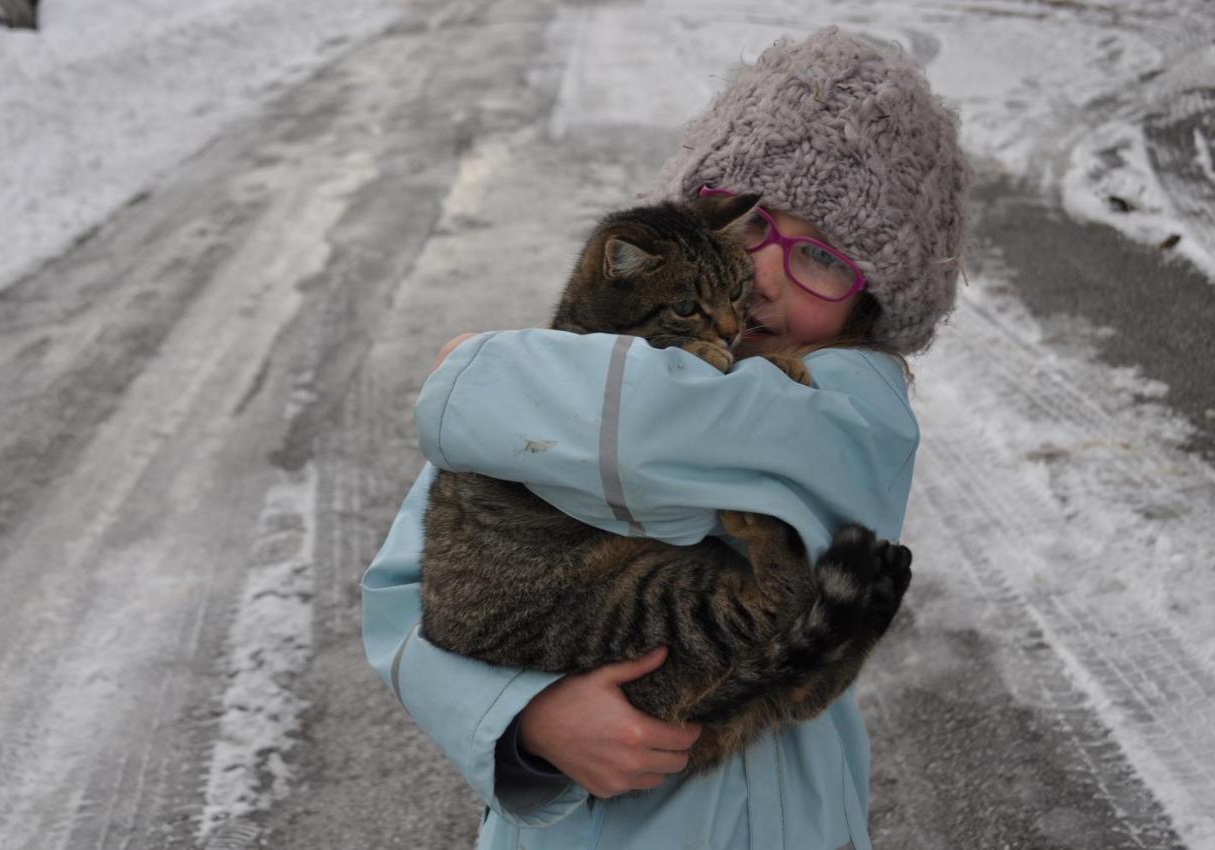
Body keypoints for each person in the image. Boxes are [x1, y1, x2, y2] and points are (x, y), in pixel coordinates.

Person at [362, 26, 971, 850]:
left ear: (875, 304)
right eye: (750, 224)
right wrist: (525, 721)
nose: (759, 277)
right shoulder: (597, 365)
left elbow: (663, 423)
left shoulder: (857, 408)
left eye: (821, 258)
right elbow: (401, 597)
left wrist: (481, 375)